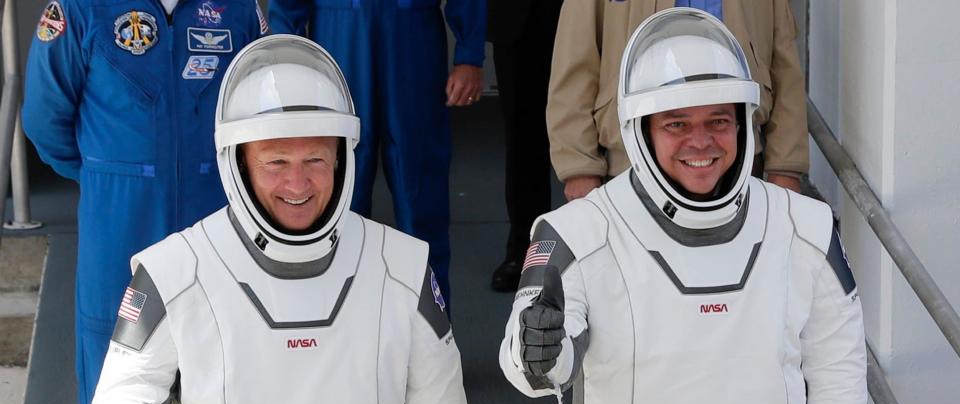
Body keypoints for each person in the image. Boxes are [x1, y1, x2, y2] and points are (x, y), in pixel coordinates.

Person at [88, 35, 473, 404]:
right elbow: (123, 392)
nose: (298, 185)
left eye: (316, 160)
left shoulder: (402, 267)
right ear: (237, 160)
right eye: (276, 164)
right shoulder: (175, 271)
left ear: (342, 156)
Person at [500, 9, 866, 404]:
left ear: (746, 122)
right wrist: (538, 352)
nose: (701, 141)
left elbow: (839, 368)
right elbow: (535, 365)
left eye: (719, 121)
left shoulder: (806, 227)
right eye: (677, 124)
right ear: (641, 128)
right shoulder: (573, 233)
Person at [22, 1, 265, 404]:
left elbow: (255, 102)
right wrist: (114, 177)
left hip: (214, 229)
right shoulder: (79, 9)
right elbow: (44, 119)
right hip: (119, 231)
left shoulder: (236, 8)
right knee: (106, 390)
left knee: (223, 389)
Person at [268, 0, 485, 304]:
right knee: (337, 208)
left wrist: (470, 55)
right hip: (339, 38)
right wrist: (288, 59)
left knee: (421, 201)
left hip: (412, 40)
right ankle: (339, 337)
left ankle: (433, 336)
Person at [547, 0, 808, 203]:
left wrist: (785, 167)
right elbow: (575, 60)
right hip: (630, 158)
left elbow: (783, 63)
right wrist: (579, 167)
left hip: (737, 155)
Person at [487, 0, 563, 292]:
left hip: (590, 11)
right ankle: (526, 252)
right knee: (523, 140)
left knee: (598, 131)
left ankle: (602, 248)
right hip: (518, 19)